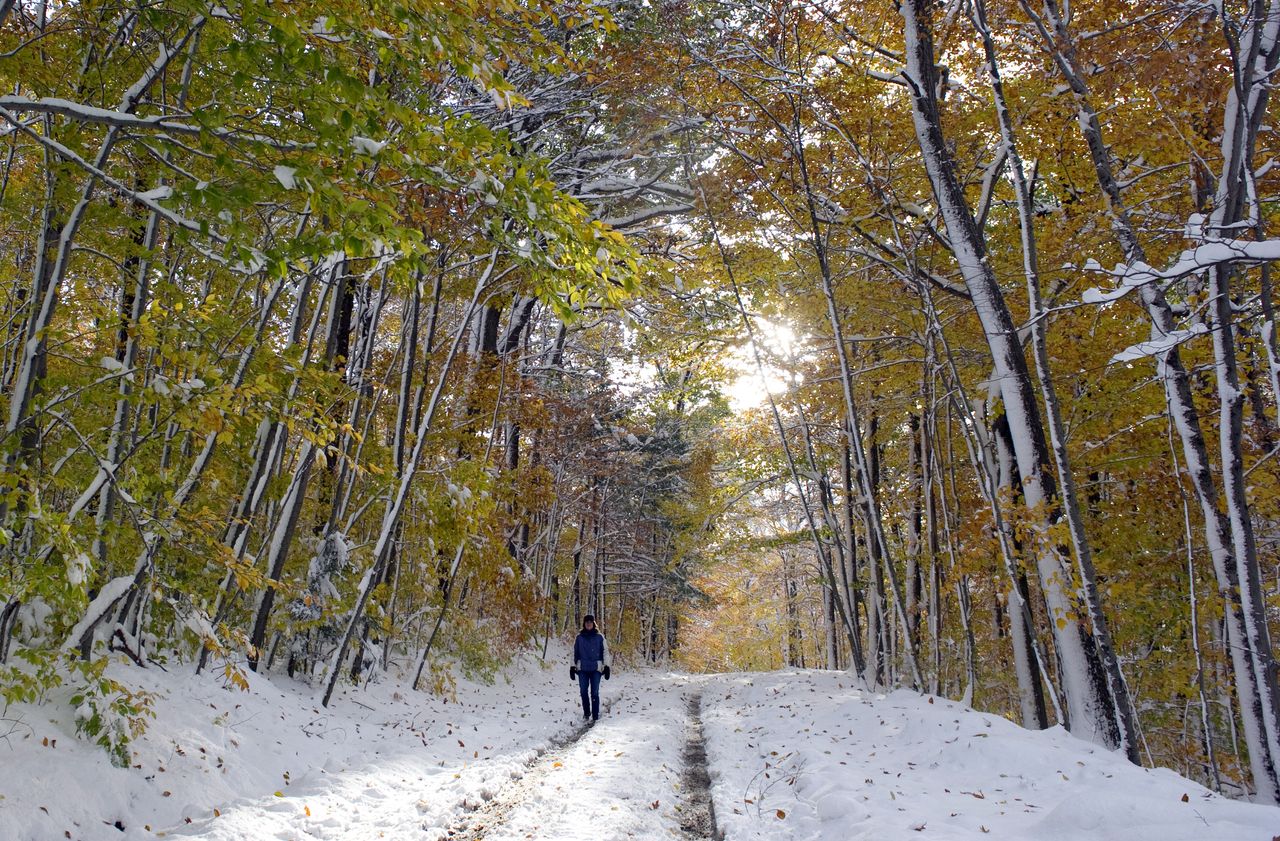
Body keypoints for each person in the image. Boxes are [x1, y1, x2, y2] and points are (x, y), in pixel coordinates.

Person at [570, 614, 611, 721]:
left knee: (594, 692)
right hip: (582, 668)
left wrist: (606, 666)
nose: (588, 624)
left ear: (593, 623)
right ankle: (587, 712)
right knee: (583, 691)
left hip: (595, 669)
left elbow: (605, 652)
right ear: (584, 624)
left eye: (590, 622)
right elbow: (574, 652)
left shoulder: (599, 637)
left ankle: (595, 715)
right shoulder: (579, 637)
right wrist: (572, 666)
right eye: (586, 622)